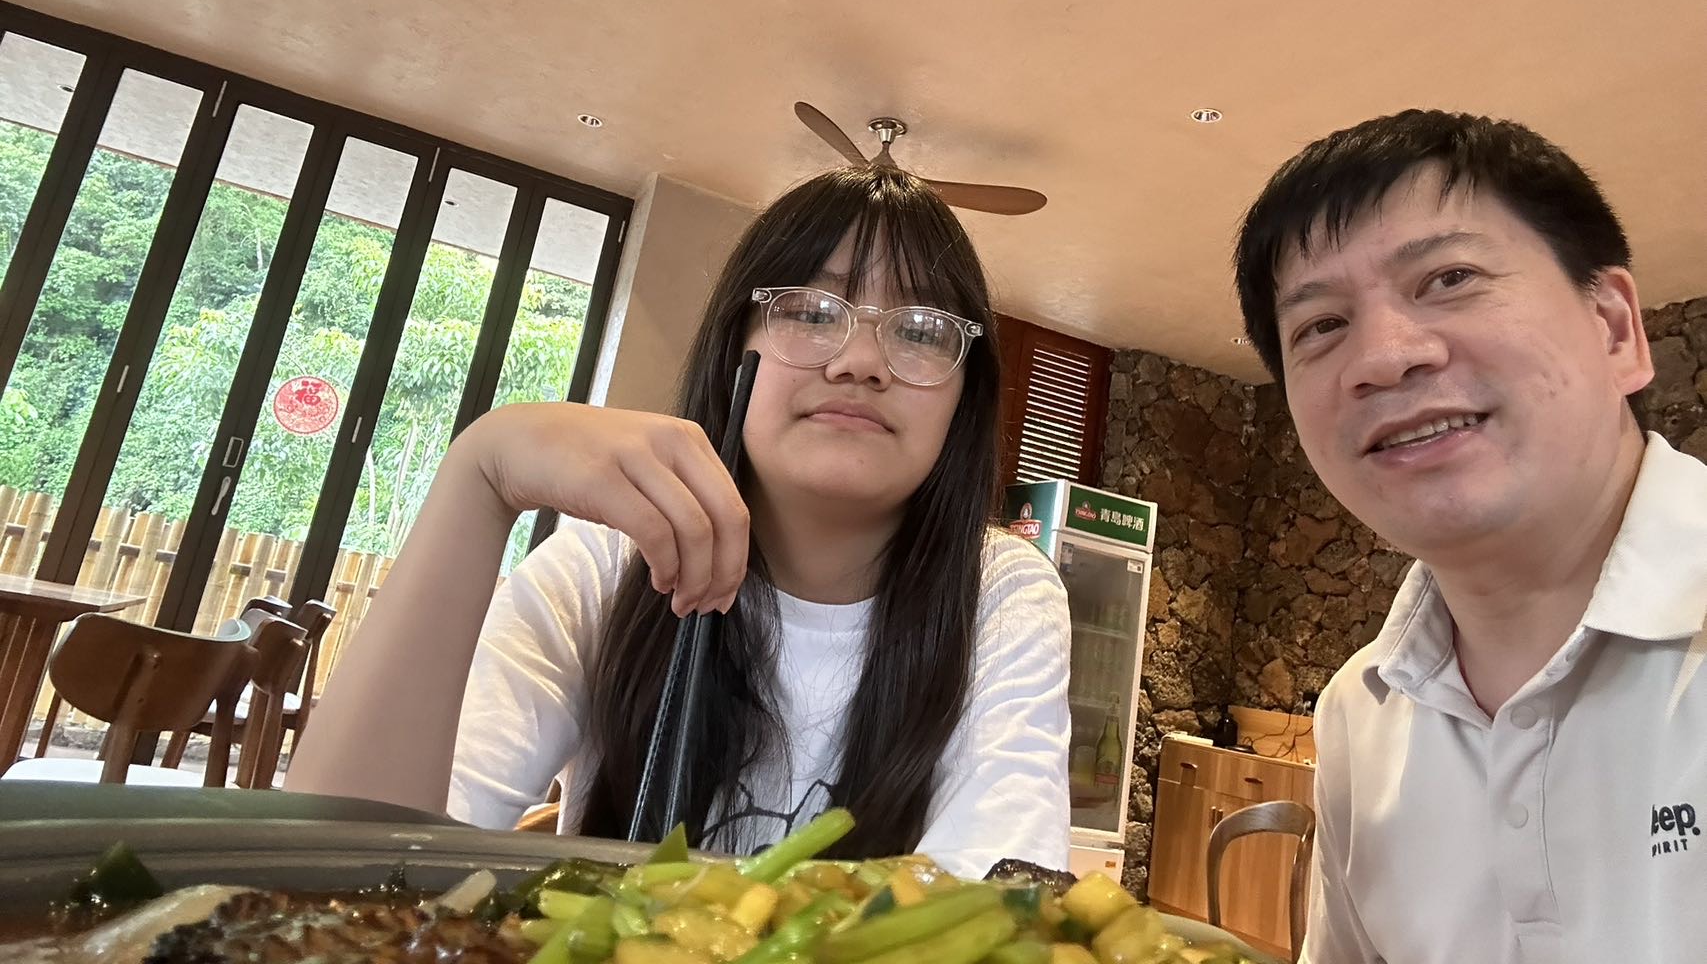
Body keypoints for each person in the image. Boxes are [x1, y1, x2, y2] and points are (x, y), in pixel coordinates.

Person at [288, 166, 1071, 875]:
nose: (859, 361)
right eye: (809, 310)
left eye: (921, 330)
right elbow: (343, 876)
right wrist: (479, 474)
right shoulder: (609, 564)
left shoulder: (999, 593)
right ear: (734, 353)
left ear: (965, 396)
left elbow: (995, 899)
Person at [1233, 109, 1706, 961]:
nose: (1383, 357)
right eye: (1321, 326)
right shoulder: (1360, 714)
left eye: (1448, 278)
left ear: (1613, 329)